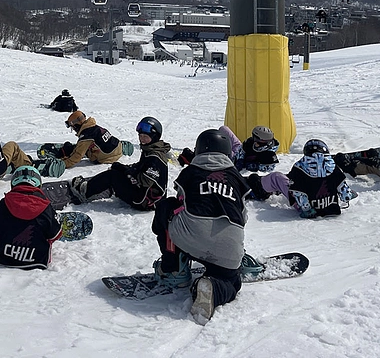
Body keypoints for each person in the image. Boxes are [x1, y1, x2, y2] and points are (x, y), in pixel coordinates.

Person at [151, 128, 250, 324]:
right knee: (231, 281)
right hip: (229, 249)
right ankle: (213, 287)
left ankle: (174, 268)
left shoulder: (189, 173)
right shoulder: (236, 177)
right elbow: (243, 216)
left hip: (191, 238)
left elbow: (181, 202)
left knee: (166, 207)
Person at [69, 116, 170, 210]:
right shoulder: (152, 150)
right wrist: (124, 168)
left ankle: (84, 192)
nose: (142, 139)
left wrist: (128, 171)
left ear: (154, 137)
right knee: (117, 171)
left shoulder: (154, 157)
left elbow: (145, 180)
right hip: (150, 199)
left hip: (145, 201)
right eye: (140, 136)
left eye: (145, 137)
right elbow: (141, 167)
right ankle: (105, 187)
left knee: (112, 176)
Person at [246, 139, 355, 218]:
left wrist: (307, 210)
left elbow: (299, 193)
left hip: (309, 209)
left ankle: (258, 189)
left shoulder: (299, 168)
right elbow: (344, 191)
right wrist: (347, 196)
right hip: (331, 208)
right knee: (290, 179)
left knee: (276, 177)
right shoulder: (334, 167)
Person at [0, 166, 63, 269]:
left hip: (5, 258)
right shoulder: (46, 208)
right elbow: (55, 236)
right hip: (38, 260)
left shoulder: (4, 204)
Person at [40, 110, 128, 169]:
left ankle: (66, 151)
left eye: (73, 127)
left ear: (76, 124)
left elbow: (77, 157)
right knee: (86, 145)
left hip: (106, 158)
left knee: (80, 149)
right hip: (118, 148)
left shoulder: (86, 135)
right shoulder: (93, 127)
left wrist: (63, 164)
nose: (74, 130)